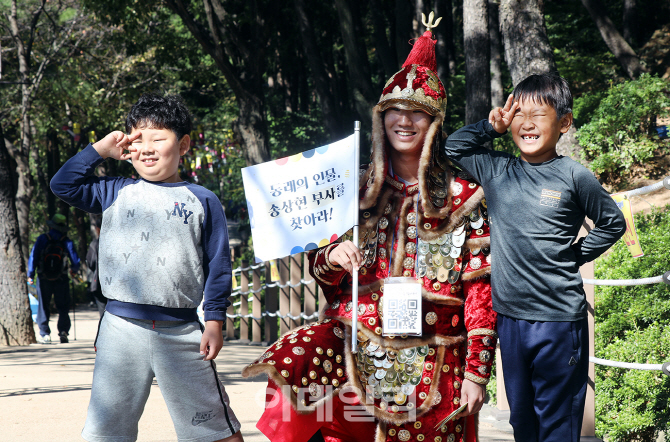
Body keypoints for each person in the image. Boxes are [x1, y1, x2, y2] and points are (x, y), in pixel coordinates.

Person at [242, 14, 498, 442]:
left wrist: (477, 372)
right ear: (381, 119)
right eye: (395, 110)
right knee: (296, 358)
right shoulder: (349, 187)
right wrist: (333, 256)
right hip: (354, 341)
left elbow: (480, 293)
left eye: (417, 113)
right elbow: (321, 271)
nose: (404, 120)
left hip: (435, 351)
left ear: (434, 124)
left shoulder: (465, 195)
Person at [443, 73, 627, 442]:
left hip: (558, 322)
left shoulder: (574, 176)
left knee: (557, 424)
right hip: (510, 320)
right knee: (522, 421)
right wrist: (490, 127)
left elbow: (612, 223)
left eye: (538, 115)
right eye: (518, 113)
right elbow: (453, 147)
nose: (526, 123)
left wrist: (572, 256)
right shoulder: (498, 170)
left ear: (564, 122)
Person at [51, 93, 243, 442]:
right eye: (139, 139)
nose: (148, 148)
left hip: (183, 332)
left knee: (215, 429)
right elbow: (62, 184)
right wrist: (99, 150)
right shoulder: (113, 191)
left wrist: (214, 320)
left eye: (159, 138)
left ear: (183, 145)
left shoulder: (202, 199)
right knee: (106, 432)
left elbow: (218, 265)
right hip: (120, 330)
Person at [27, 213, 81, 344]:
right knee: (63, 306)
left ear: (52, 225)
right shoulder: (66, 241)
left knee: (43, 305)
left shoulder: (42, 239)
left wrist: (31, 274)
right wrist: (74, 271)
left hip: (43, 277)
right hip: (61, 278)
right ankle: (63, 332)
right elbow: (75, 261)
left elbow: (33, 257)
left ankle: (45, 334)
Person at [85, 215, 107, 316]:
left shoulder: (95, 244)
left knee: (103, 313)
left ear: (98, 228)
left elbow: (90, 263)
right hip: (117, 284)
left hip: (99, 283)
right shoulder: (116, 243)